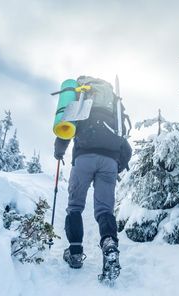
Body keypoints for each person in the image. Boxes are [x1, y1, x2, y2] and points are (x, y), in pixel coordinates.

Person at [53, 76, 132, 281]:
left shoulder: (81, 97)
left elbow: (66, 128)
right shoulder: (114, 104)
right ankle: (109, 246)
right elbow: (125, 142)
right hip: (110, 162)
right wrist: (117, 166)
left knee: (75, 206)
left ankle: (76, 254)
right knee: (105, 209)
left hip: (84, 159)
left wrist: (59, 151)